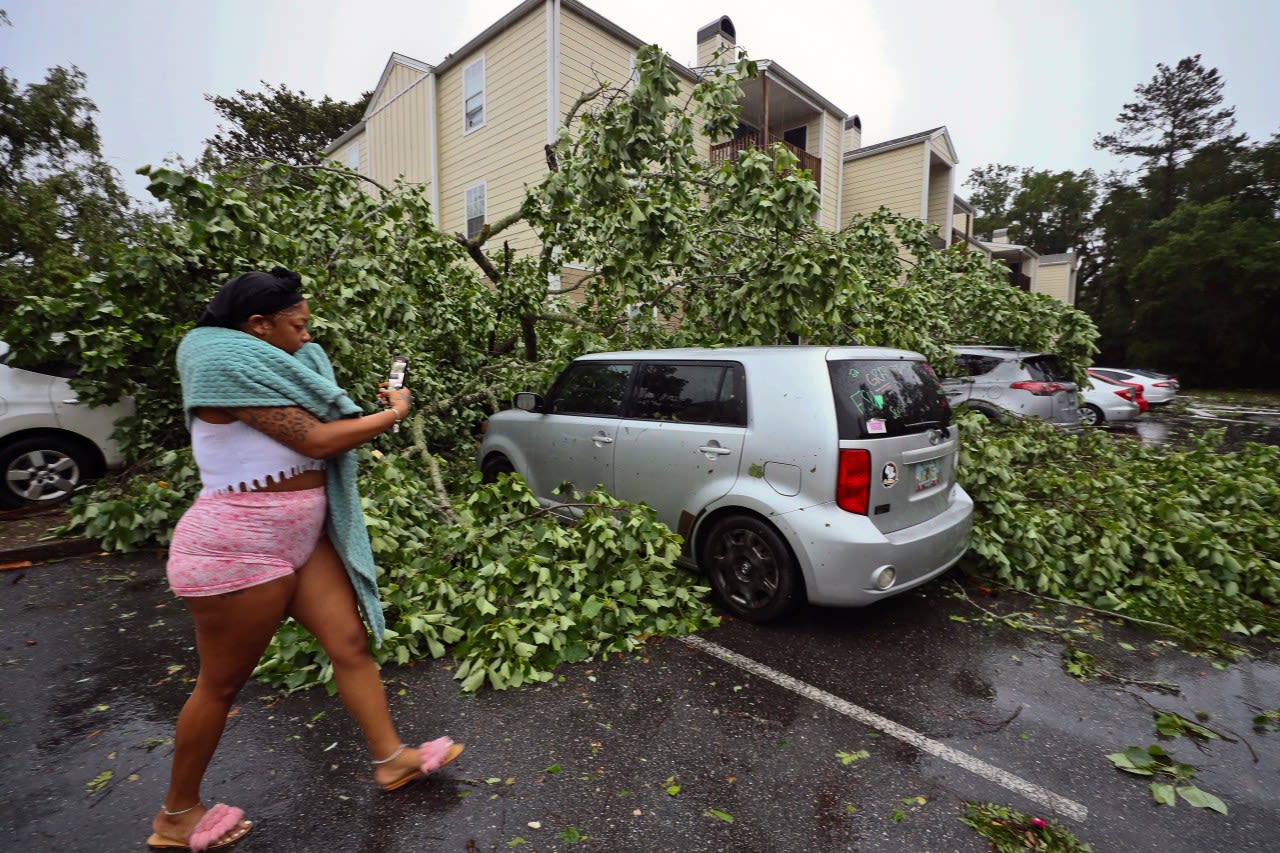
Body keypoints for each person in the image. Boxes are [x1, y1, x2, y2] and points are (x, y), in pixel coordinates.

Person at [147, 268, 463, 851]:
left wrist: (360, 410)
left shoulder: (274, 367)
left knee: (348, 643)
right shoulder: (225, 369)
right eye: (296, 326)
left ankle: (391, 759)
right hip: (236, 548)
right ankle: (176, 816)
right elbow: (315, 441)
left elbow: (324, 423)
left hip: (300, 540)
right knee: (219, 686)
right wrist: (394, 413)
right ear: (257, 325)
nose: (305, 337)